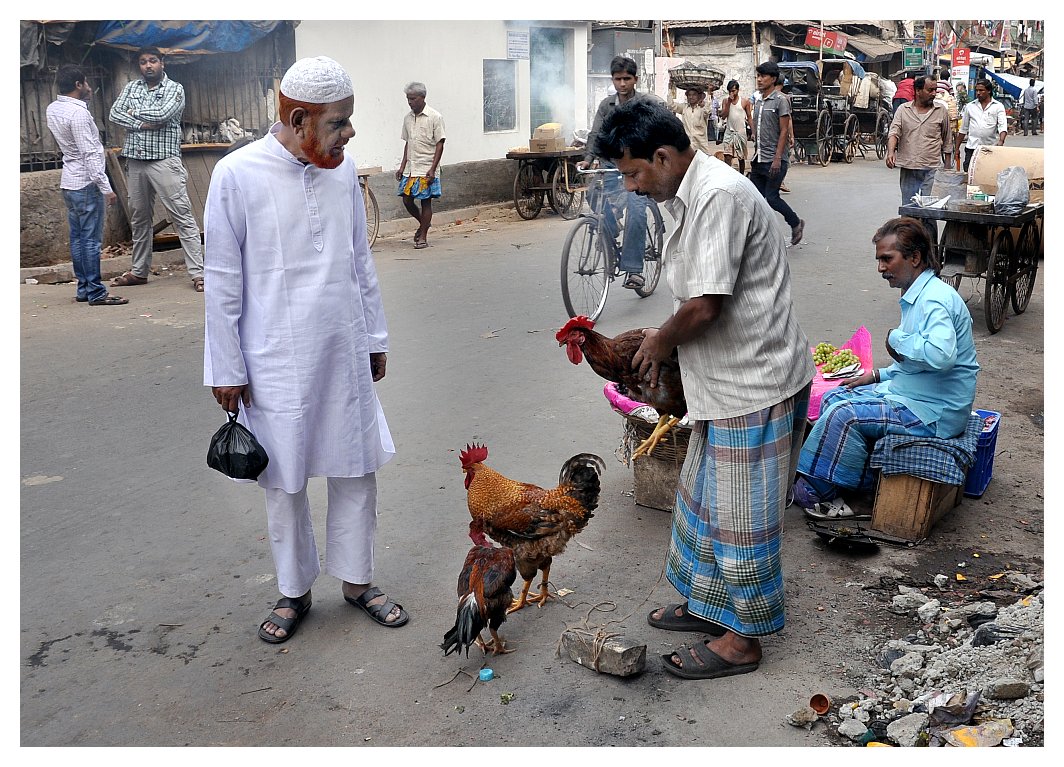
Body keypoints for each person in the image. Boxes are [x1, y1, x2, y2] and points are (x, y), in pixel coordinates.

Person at [596, 98, 815, 680]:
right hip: (720, 378)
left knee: (742, 515)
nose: (632, 186)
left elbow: (707, 304)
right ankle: (710, 607)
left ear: (664, 156)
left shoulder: (718, 194)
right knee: (703, 503)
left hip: (754, 380)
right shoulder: (682, 192)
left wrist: (659, 342)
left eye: (634, 173)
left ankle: (743, 639)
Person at [203, 56, 408, 644]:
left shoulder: (341, 170)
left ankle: (357, 580)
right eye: (339, 123)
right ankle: (294, 591)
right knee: (284, 477)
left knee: (356, 466)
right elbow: (222, 278)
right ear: (297, 119)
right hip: (273, 357)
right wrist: (226, 368)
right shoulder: (236, 175)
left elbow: (357, 259)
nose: (349, 134)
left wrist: (374, 337)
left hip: (343, 346)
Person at [793, 217, 978, 508]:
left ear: (914, 257)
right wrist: (878, 375)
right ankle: (857, 475)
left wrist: (896, 340)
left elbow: (940, 356)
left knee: (844, 414)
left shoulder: (934, 300)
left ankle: (821, 487)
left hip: (934, 411)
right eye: (879, 260)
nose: (881, 268)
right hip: (917, 394)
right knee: (835, 396)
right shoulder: (921, 293)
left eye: (887, 259)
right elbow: (918, 364)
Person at [108, 46, 204, 291]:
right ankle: (139, 271)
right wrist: (142, 124)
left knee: (182, 216)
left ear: (162, 63)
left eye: (152, 61)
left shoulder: (175, 89)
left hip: (164, 160)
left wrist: (133, 113)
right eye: (143, 62)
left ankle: (198, 273)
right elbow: (114, 114)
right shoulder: (131, 87)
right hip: (136, 161)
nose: (148, 66)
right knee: (140, 219)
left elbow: (162, 115)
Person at [45, 65, 127, 307]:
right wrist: (106, 187)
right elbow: (90, 153)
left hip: (69, 182)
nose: (90, 87)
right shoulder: (78, 114)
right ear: (79, 85)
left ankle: (84, 288)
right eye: (87, 83)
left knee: (79, 239)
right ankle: (96, 292)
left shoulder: (53, 108)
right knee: (90, 240)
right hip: (85, 183)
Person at [579, 55, 663, 291]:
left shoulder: (646, 104)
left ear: (635, 79)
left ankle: (634, 270)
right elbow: (596, 134)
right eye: (618, 79)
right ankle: (611, 231)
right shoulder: (607, 106)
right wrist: (588, 159)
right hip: (611, 165)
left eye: (627, 79)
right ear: (612, 80)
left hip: (637, 168)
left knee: (636, 212)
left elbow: (655, 134)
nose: (622, 84)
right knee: (593, 194)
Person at [886, 74, 952, 240]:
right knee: (909, 214)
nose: (934, 93)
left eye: (935, 90)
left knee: (929, 214)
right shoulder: (903, 110)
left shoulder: (940, 111)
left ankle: (931, 252)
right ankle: (908, 249)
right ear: (918, 91)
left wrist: (948, 167)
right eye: (930, 90)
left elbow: (947, 140)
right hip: (909, 169)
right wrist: (890, 152)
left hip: (931, 170)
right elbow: (894, 132)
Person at [750, 61, 804, 246]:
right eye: (758, 76)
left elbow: (783, 131)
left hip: (775, 159)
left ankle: (795, 223)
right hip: (758, 158)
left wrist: (777, 158)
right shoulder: (757, 100)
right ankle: (760, 234)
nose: (759, 79)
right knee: (754, 198)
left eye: (763, 76)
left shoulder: (781, 100)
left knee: (772, 197)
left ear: (773, 79)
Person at [396, 81, 445, 249]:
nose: (410, 102)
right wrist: (402, 166)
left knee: (425, 201)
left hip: (426, 167)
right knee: (407, 199)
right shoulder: (407, 118)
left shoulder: (435, 117)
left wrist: (433, 168)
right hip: (411, 167)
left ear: (422, 98)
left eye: (413, 99)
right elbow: (407, 143)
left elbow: (440, 144)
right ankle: (424, 223)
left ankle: (423, 236)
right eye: (408, 99)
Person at [955, 79, 1008, 172]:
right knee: (969, 174)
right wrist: (956, 148)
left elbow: (1002, 126)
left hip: (989, 148)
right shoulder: (970, 106)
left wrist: (1001, 141)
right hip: (971, 148)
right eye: (977, 90)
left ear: (989, 91)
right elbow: (963, 129)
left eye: (981, 90)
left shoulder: (998, 107)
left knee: (987, 174)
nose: (978, 93)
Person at [720, 79, 753, 175]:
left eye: (733, 91)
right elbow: (724, 115)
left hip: (740, 132)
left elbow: (749, 117)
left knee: (741, 157)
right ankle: (728, 175)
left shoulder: (744, 101)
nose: (732, 93)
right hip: (729, 132)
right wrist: (728, 103)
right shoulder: (725, 101)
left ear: (738, 90)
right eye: (730, 91)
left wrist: (753, 131)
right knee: (727, 156)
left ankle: (741, 175)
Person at [668, 85, 713, 156]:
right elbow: (671, 105)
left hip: (701, 144)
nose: (691, 97)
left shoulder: (702, 109)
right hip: (688, 143)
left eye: (694, 95)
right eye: (689, 95)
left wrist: (709, 93)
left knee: (703, 164)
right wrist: (670, 88)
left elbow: (707, 110)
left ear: (699, 96)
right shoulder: (684, 108)